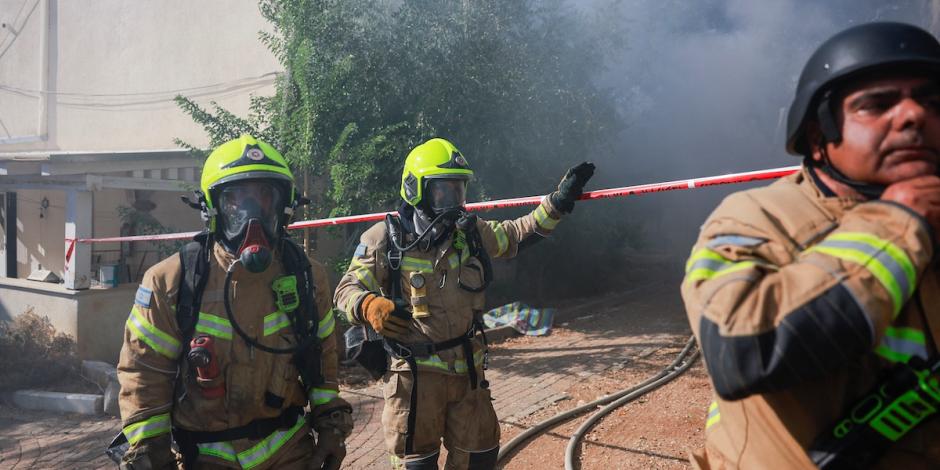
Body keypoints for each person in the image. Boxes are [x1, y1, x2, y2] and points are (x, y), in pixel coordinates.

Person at [681, 22, 940, 469]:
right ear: (819, 137)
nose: (914, 116)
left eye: (934, 102)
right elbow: (740, 351)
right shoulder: (755, 217)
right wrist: (898, 224)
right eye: (876, 104)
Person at [334, 137, 594, 469]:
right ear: (416, 188)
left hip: (468, 375)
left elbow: (516, 234)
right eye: (443, 192)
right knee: (416, 463)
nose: (453, 202)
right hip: (415, 381)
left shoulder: (469, 235)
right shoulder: (385, 239)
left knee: (479, 458)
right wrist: (369, 305)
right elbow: (346, 290)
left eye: (458, 191)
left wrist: (557, 203)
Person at [116, 135, 352, 469]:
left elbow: (323, 355)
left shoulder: (307, 277)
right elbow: (144, 371)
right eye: (236, 202)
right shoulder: (171, 281)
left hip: (288, 451)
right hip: (206, 457)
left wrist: (331, 426)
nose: (251, 217)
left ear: (284, 208)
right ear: (212, 209)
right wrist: (150, 449)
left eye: (264, 199)